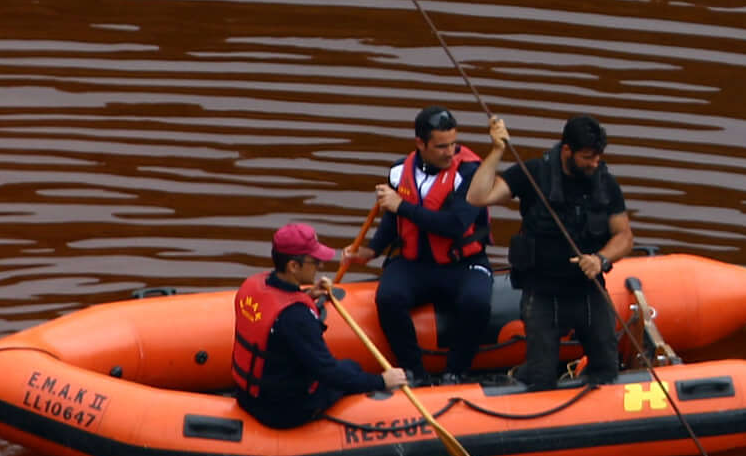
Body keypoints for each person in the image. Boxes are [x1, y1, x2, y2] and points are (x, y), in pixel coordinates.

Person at [464, 115, 635, 391]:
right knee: (541, 378)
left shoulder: (605, 183)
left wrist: (600, 259)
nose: (595, 164)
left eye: (598, 157)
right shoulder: (533, 173)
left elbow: (624, 236)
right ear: (567, 150)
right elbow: (478, 197)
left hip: (587, 289)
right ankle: (524, 378)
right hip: (543, 293)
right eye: (588, 157)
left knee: (606, 366)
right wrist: (497, 151)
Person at [347, 104, 497, 383]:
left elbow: (456, 225)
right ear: (420, 143)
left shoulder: (470, 174)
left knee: (476, 303)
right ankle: (415, 371)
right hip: (416, 264)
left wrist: (401, 205)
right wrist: (371, 251)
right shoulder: (398, 172)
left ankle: (456, 372)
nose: (450, 152)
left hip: (463, 264)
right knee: (388, 298)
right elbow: (393, 222)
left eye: (453, 143)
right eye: (441, 146)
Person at [232, 222, 407, 431]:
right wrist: (381, 381)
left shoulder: (253, 285)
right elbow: (328, 371)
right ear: (293, 266)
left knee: (347, 370)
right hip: (281, 412)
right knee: (352, 368)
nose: (320, 266)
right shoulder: (296, 317)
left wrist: (307, 296)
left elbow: (278, 318)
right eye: (314, 261)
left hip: (247, 397)